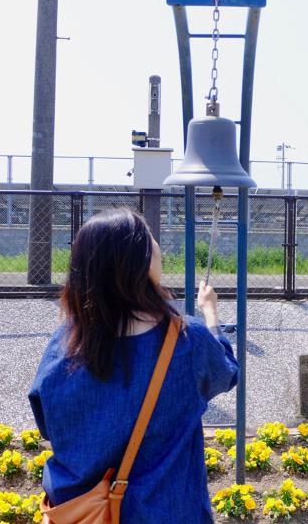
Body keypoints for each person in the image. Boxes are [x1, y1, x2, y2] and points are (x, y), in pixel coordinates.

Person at [28, 208, 239, 523]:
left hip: (82, 513)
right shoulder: (185, 339)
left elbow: (47, 419)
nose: (158, 245)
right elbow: (226, 373)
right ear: (140, 261)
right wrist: (210, 316)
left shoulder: (67, 339)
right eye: (151, 238)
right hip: (168, 511)